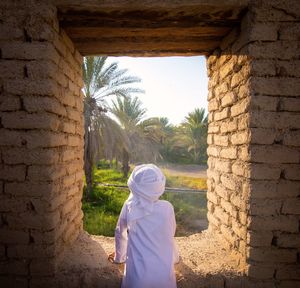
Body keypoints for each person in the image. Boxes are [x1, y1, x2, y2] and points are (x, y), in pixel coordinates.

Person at [108, 164, 179, 288]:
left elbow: (120, 233)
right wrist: (175, 258)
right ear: (159, 187)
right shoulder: (167, 208)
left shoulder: (130, 206)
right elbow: (169, 236)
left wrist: (119, 258)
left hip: (137, 278)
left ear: (134, 187)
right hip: (164, 279)